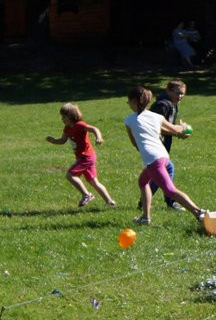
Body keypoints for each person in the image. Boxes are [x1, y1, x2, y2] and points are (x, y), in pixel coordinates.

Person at [124, 86, 205, 225]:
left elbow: (135, 144)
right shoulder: (157, 117)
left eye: (128, 101)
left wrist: (142, 147)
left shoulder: (129, 120)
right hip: (163, 156)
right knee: (143, 181)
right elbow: (175, 129)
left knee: (169, 190)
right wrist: (184, 127)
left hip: (153, 159)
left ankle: (199, 213)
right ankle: (145, 218)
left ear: (133, 102)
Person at [46, 103, 116, 208]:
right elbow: (62, 140)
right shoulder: (67, 128)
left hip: (86, 157)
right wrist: (53, 140)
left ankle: (86, 195)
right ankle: (110, 202)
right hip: (84, 157)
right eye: (62, 116)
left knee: (70, 175)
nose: (62, 119)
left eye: (64, 116)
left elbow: (94, 129)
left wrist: (99, 137)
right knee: (94, 182)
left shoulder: (80, 125)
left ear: (72, 116)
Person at [146, 80, 189, 211]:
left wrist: (179, 128)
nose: (180, 96)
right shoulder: (162, 105)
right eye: (177, 93)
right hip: (156, 145)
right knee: (164, 172)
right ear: (168, 91)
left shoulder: (172, 104)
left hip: (162, 145)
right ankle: (170, 202)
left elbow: (168, 124)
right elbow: (155, 128)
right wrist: (177, 132)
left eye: (182, 94)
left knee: (157, 174)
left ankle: (145, 202)